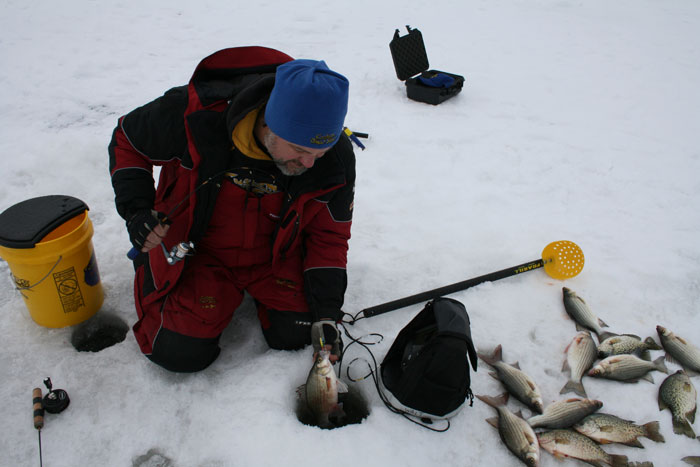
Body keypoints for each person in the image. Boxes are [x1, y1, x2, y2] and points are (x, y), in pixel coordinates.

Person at [108, 47, 355, 372]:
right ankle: (156, 274)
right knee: (176, 352)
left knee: (298, 336)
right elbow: (127, 139)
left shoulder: (333, 156)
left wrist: (326, 313)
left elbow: (329, 237)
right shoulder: (192, 114)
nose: (309, 163)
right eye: (299, 150)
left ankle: (267, 301)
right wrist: (137, 210)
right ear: (270, 123)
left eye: (319, 152)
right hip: (200, 253)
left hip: (274, 257)